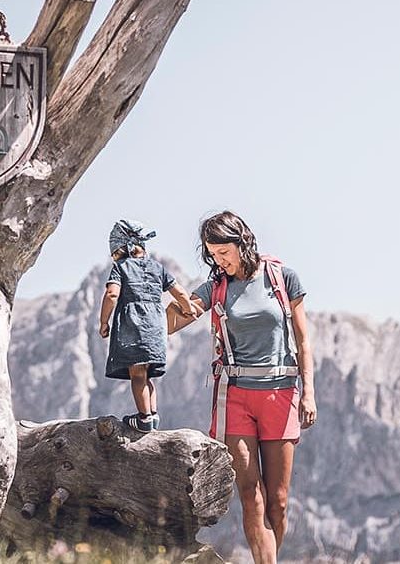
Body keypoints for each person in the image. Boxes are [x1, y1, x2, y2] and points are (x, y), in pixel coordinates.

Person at [169, 211, 314, 564]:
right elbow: (172, 322)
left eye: (224, 252)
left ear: (241, 243)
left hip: (281, 394)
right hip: (234, 397)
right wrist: (160, 295)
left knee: (277, 501)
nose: (219, 261)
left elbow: (303, 339)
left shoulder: (282, 278)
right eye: (213, 255)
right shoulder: (216, 287)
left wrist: (308, 391)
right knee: (251, 494)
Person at [99, 219, 198, 432]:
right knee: (148, 374)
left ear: (124, 247)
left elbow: (112, 294)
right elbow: (179, 291)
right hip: (155, 329)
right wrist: (188, 308)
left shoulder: (121, 268)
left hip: (132, 327)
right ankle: (152, 416)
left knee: (137, 375)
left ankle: (143, 419)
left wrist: (103, 321)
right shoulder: (157, 268)